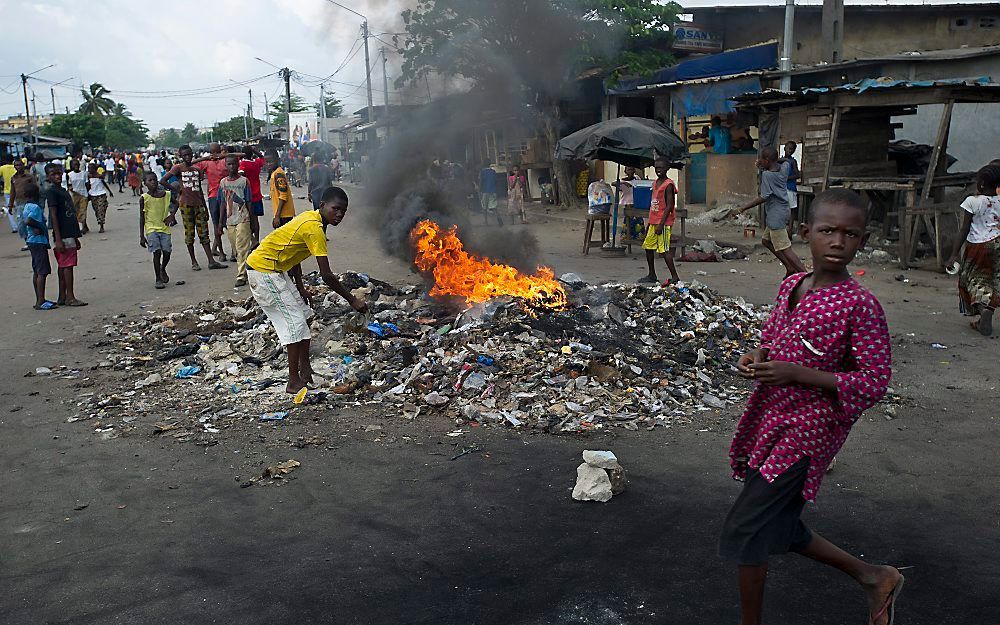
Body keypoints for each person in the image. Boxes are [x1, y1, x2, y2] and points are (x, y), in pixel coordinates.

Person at [721, 189, 902, 625]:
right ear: (806, 234)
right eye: (827, 231)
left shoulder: (860, 305)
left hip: (810, 430)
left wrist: (800, 375)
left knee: (747, 527)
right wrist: (758, 356)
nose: (838, 241)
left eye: (850, 234)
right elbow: (773, 337)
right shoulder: (791, 285)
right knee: (776, 522)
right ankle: (874, 577)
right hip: (771, 417)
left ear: (863, 239)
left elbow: (875, 381)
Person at [246, 186, 368, 393]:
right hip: (263, 270)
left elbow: (293, 251)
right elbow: (327, 276)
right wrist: (352, 300)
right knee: (295, 325)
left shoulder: (315, 219)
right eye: (335, 209)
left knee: (304, 316)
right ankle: (293, 381)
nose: (339, 214)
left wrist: (300, 287)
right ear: (322, 206)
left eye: (343, 211)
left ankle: (306, 370)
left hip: (277, 270)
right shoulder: (314, 228)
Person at [733, 147, 808, 278]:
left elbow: (764, 196)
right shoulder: (784, 168)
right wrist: (768, 162)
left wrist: (742, 208)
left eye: (762, 159)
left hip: (775, 215)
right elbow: (786, 161)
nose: (759, 161)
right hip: (784, 210)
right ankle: (789, 267)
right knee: (766, 241)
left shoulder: (767, 176)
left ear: (767, 160)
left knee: (786, 248)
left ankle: (807, 277)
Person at [946, 163, 1000, 336]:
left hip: (978, 246)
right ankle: (988, 309)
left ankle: (983, 309)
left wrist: (954, 254)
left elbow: (964, 229)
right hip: (998, 244)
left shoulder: (972, 202)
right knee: (992, 279)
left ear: (981, 184)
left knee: (971, 280)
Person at [161, 145, 227, 272]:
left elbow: (200, 190)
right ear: (181, 156)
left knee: (204, 234)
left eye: (189, 154)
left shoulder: (197, 170)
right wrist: (177, 190)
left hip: (198, 204)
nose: (188, 157)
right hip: (185, 205)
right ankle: (194, 261)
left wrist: (205, 207)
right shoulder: (178, 168)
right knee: (190, 234)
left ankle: (211, 261)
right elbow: (163, 181)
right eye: (185, 155)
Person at [45, 163, 87, 307]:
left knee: (63, 266)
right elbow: (53, 215)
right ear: (48, 177)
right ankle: (70, 297)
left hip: (69, 234)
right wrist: (58, 239)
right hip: (62, 235)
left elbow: (70, 214)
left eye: (58, 173)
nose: (57, 176)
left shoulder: (62, 191)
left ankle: (62, 296)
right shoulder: (52, 193)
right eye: (53, 174)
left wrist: (75, 236)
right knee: (67, 266)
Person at [638, 157, 680, 286]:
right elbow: (653, 206)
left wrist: (661, 224)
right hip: (654, 220)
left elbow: (669, 206)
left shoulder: (668, 185)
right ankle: (652, 274)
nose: (658, 170)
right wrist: (650, 224)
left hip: (664, 222)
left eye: (661, 168)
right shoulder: (655, 183)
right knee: (648, 247)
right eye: (656, 168)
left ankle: (675, 276)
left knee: (663, 250)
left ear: (667, 168)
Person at [20, 182, 57, 310]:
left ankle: (39, 299)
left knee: (37, 271)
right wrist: (38, 227)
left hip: (32, 241)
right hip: (38, 241)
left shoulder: (26, 206)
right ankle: (41, 301)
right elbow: (29, 220)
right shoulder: (35, 208)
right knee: (42, 271)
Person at [218, 154, 253, 287]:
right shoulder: (223, 183)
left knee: (242, 247)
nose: (231, 167)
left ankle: (241, 276)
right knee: (236, 249)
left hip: (243, 218)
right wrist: (220, 223)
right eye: (229, 164)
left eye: (234, 164)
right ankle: (248, 269)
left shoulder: (244, 181)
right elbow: (222, 203)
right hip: (230, 219)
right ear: (226, 165)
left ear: (238, 165)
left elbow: (249, 202)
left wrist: (253, 221)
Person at [139, 171, 177, 289]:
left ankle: (162, 268)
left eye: (154, 179)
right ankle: (158, 278)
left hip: (164, 227)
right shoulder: (144, 198)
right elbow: (142, 217)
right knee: (157, 252)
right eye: (150, 180)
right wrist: (141, 235)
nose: (153, 182)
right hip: (151, 228)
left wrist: (171, 216)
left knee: (167, 252)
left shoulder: (166, 194)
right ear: (144, 183)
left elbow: (177, 203)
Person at [193, 143, 230, 260]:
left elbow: (192, 163)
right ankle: (227, 252)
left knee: (217, 225)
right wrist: (218, 156)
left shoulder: (207, 162)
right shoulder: (224, 161)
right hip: (224, 194)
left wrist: (206, 157)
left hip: (215, 195)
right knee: (228, 224)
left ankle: (222, 253)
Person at [239, 146, 266, 244]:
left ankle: (252, 240)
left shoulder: (243, 164)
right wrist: (254, 150)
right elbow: (263, 158)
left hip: (247, 195)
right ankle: (257, 239)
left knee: (247, 219)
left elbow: (240, 174)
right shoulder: (256, 163)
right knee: (255, 220)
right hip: (257, 194)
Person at [265, 149, 296, 228]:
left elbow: (283, 196)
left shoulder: (278, 174)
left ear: (277, 160)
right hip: (282, 214)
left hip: (284, 215)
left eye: (271, 161)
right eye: (267, 162)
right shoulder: (274, 173)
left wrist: (277, 216)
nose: (268, 164)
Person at [85, 162, 113, 233]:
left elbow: (104, 183)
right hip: (92, 195)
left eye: (90, 168)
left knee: (101, 210)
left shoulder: (99, 176)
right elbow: (88, 186)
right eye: (88, 168)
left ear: (94, 169)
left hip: (101, 194)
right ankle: (100, 222)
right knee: (96, 211)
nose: (89, 170)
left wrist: (110, 191)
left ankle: (101, 226)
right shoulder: (88, 177)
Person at [65, 159, 91, 234]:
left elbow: (87, 184)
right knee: (76, 211)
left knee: (83, 211)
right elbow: (69, 185)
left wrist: (88, 194)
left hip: (83, 194)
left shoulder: (84, 174)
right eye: (74, 165)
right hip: (74, 195)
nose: (76, 166)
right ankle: (82, 225)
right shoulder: (69, 175)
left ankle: (82, 227)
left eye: (77, 164)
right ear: (71, 166)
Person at [1, 154, 17, 233]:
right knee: (18, 209)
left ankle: (14, 227)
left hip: (7, 191)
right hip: (17, 190)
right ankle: (20, 224)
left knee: (10, 209)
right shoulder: (16, 166)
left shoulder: (2, 168)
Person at [784, 140, 800, 215]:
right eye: (789, 148)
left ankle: (790, 226)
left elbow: (797, 175)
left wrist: (787, 178)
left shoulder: (793, 161)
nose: (790, 151)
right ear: (784, 148)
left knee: (792, 208)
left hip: (790, 187)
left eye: (792, 149)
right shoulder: (780, 161)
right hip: (781, 188)